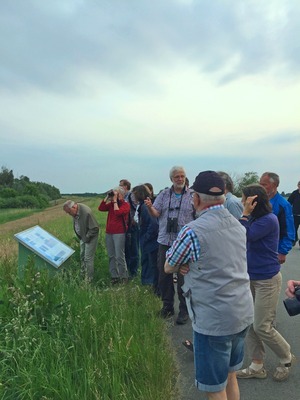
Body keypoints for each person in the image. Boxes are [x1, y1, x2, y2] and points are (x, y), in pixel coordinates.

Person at [164, 170, 253, 400]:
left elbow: (168, 265)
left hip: (214, 319)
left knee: (214, 388)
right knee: (231, 376)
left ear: (195, 199)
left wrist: (184, 265)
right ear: (223, 197)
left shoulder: (192, 231)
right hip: (241, 312)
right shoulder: (238, 226)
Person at [236, 184, 295, 382]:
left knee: (262, 326)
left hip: (267, 280)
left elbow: (243, 236)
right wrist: (246, 216)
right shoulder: (255, 218)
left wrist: (244, 214)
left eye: (244, 198)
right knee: (250, 323)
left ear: (253, 201)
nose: (242, 201)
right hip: (251, 277)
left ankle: (286, 357)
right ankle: (257, 365)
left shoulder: (268, 220)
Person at [145, 166, 194, 324]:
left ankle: (184, 310)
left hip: (184, 242)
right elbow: (156, 213)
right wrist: (149, 208)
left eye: (182, 176)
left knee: (183, 278)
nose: (180, 179)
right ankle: (167, 307)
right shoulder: (164, 194)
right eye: (177, 177)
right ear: (171, 179)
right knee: (164, 275)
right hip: (165, 240)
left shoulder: (193, 195)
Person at [259, 172, 295, 264]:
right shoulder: (258, 200)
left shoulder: (283, 205)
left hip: (272, 251)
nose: (261, 187)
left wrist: (283, 252)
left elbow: (288, 230)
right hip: (257, 249)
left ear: (274, 185)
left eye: (264, 185)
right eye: (260, 184)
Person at [98, 186, 130, 284]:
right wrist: (107, 197)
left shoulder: (125, 205)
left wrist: (115, 200)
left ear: (121, 195)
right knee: (111, 255)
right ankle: (114, 276)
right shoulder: (111, 204)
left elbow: (117, 212)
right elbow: (101, 208)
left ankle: (123, 276)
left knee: (119, 255)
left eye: (116, 193)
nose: (114, 196)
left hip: (119, 232)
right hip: (109, 232)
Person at [63, 200, 99, 280]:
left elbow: (95, 228)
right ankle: (83, 274)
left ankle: (89, 280)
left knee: (88, 258)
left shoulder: (86, 212)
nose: (69, 214)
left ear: (74, 207)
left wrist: (87, 237)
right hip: (83, 236)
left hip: (90, 236)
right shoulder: (75, 211)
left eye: (69, 212)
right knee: (82, 256)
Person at [132, 184, 159, 291]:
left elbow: (153, 224)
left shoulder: (145, 207)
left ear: (139, 194)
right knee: (146, 262)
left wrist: (145, 238)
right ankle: (148, 284)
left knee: (151, 264)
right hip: (148, 240)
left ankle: (153, 287)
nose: (133, 197)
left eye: (134, 195)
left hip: (151, 242)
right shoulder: (144, 206)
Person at [119, 179, 140, 278]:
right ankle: (128, 270)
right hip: (126, 226)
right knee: (127, 248)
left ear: (126, 186)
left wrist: (135, 220)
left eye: (121, 185)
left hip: (132, 225)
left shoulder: (131, 195)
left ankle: (134, 272)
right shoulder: (123, 196)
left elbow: (137, 208)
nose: (119, 187)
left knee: (133, 249)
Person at [288, 181, 300, 247]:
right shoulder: (295, 193)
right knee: (294, 228)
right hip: (295, 214)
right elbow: (289, 202)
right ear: (298, 185)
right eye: (299, 184)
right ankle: (295, 239)